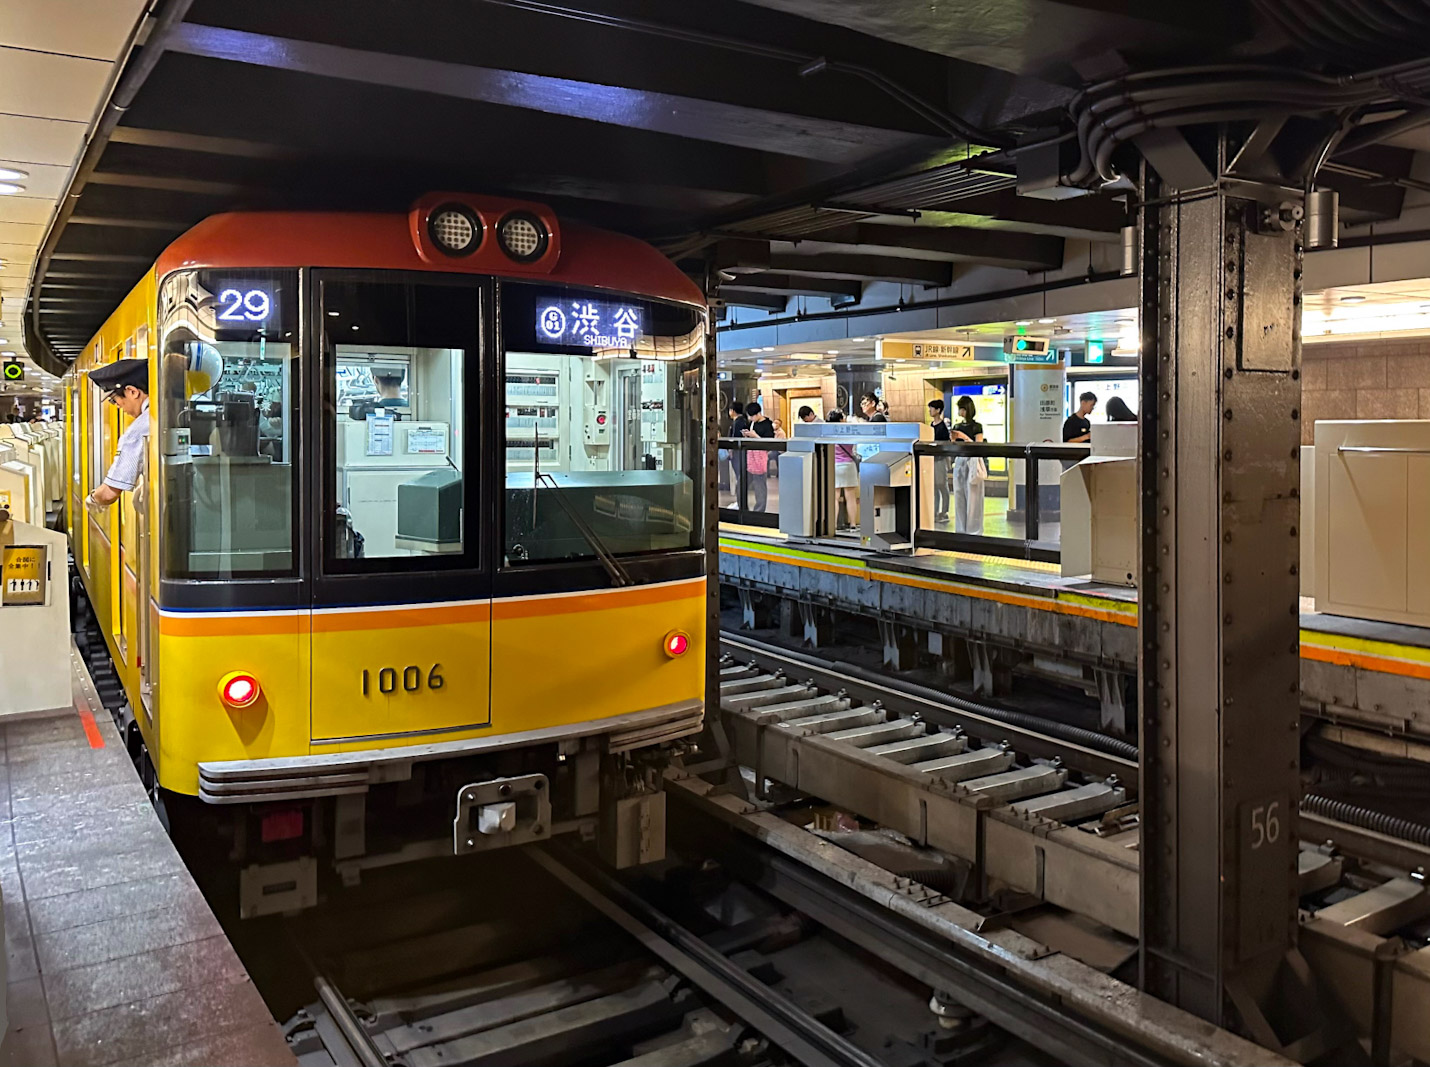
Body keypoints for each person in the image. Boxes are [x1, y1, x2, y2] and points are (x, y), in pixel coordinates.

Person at [84, 357, 150, 510]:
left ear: (132, 392)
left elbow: (109, 493)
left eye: (114, 400)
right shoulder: (170, 409)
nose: (118, 406)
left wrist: (93, 499)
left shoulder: (140, 428)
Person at [950, 395, 985, 535]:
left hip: (973, 460)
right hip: (960, 459)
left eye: (962, 409)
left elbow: (978, 444)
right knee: (959, 494)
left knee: (974, 497)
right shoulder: (957, 426)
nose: (960, 412)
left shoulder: (977, 426)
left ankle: (974, 531)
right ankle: (960, 530)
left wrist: (963, 437)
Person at [741, 402, 773, 512]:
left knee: (760, 487)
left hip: (760, 460)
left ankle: (759, 511)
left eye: (752, 416)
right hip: (750, 459)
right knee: (740, 485)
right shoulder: (753, 423)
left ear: (758, 413)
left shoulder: (767, 424)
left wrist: (755, 436)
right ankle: (742, 508)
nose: (750, 418)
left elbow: (770, 443)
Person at [929, 398, 951, 522]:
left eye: (932, 408)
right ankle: (935, 511)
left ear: (938, 410)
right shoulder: (931, 426)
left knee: (942, 485)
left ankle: (944, 511)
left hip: (940, 459)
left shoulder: (942, 427)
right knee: (934, 487)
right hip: (931, 459)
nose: (930, 411)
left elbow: (946, 445)